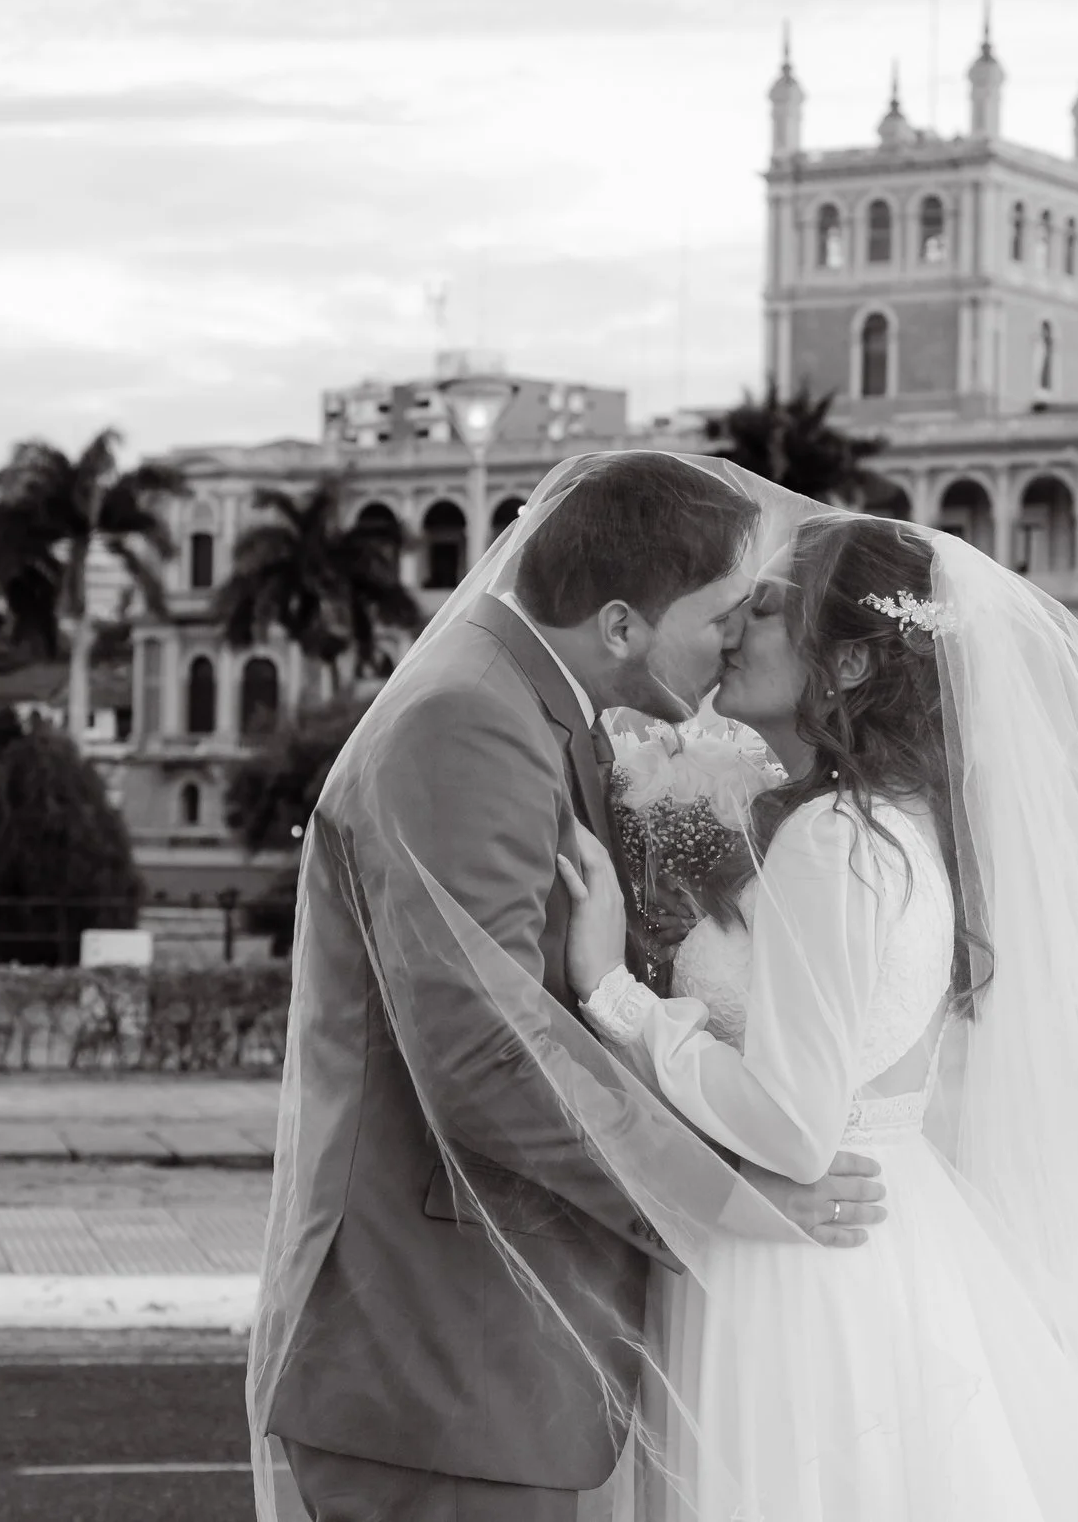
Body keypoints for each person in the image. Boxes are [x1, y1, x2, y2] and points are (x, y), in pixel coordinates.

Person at [556, 511, 1078, 1521]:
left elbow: (791, 1121)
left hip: (805, 1259)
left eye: (772, 607)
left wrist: (614, 992)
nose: (737, 625)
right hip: (893, 1230)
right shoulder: (903, 823)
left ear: (854, 660)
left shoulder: (835, 840)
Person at [245, 453, 891, 1522]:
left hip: (489, 1352)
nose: (740, 635)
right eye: (724, 611)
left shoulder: (523, 705)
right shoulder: (471, 722)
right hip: (446, 1350)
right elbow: (482, 1051)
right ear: (623, 624)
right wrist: (726, 1195)